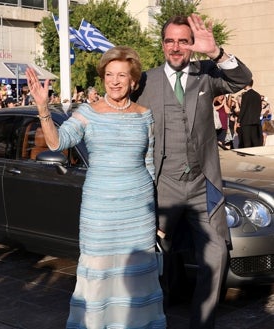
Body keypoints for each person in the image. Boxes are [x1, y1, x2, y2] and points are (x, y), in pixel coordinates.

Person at [26, 45, 166, 329]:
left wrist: (156, 217)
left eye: (122, 75)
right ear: (103, 78)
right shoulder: (88, 113)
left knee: (136, 279)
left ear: (133, 81)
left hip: (138, 212)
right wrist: (43, 108)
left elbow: (149, 165)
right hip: (100, 211)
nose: (114, 81)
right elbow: (57, 143)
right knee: (99, 276)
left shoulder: (144, 115)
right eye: (109, 74)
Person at [132, 14, 252, 329]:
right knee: (160, 259)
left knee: (216, 257)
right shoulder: (145, 81)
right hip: (163, 185)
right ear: (162, 44)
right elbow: (117, 106)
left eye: (183, 41)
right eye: (170, 40)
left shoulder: (206, 73)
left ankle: (202, 323)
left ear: (192, 45)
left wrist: (216, 52)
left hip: (204, 185)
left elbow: (242, 79)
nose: (176, 47)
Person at [237, 80, 263, 148]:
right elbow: (259, 108)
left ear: (246, 84)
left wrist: (239, 120)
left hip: (246, 121)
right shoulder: (257, 95)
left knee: (247, 140)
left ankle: (248, 155)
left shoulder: (245, 95)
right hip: (255, 121)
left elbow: (243, 108)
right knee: (254, 139)